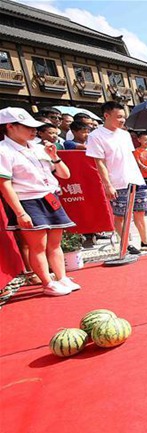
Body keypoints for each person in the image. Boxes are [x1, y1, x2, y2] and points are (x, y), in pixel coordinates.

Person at [0, 107, 78, 296]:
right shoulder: (3, 150)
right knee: (37, 246)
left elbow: (65, 175)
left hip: (50, 196)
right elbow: (4, 184)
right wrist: (20, 212)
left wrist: (54, 157)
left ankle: (61, 277)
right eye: (27, 127)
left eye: (34, 127)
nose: (33, 130)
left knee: (55, 243)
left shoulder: (38, 147)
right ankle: (47, 282)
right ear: (10, 126)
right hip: (28, 201)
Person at [86, 101, 147, 255]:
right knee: (120, 215)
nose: (122, 120)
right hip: (117, 181)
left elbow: (129, 157)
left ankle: (145, 241)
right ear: (107, 115)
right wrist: (108, 185)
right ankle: (125, 243)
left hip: (135, 179)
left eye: (124, 117)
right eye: (119, 117)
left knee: (140, 212)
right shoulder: (96, 136)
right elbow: (99, 162)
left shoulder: (125, 134)